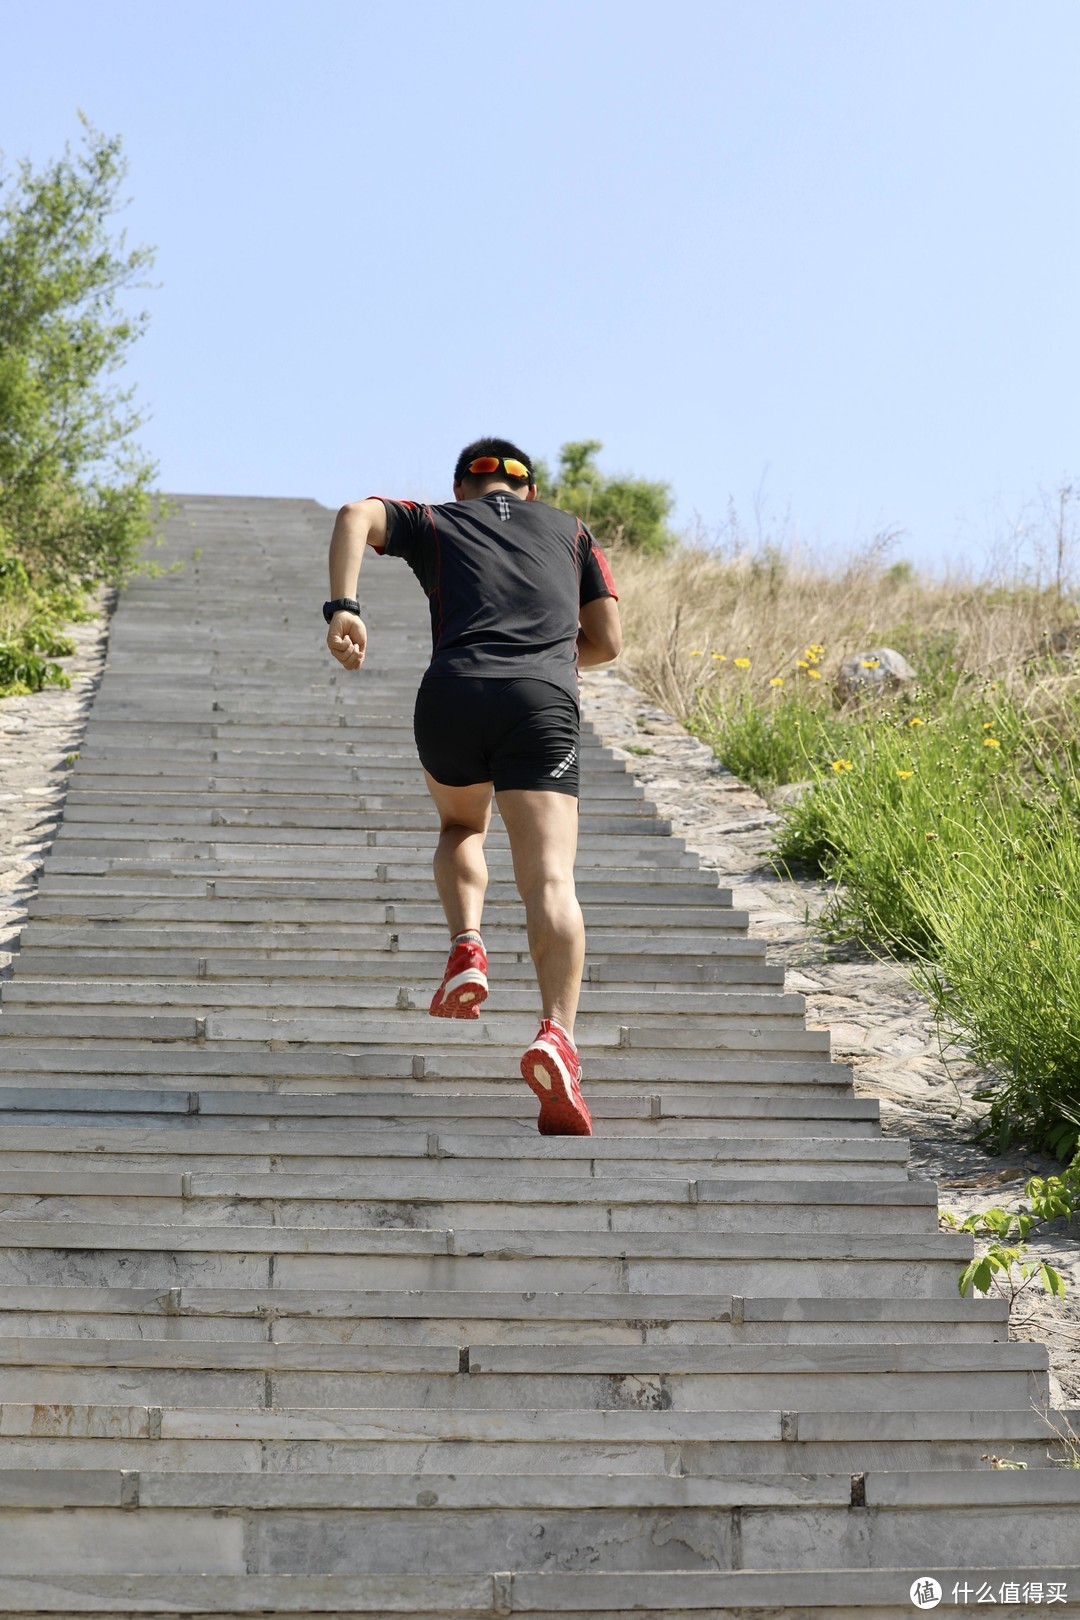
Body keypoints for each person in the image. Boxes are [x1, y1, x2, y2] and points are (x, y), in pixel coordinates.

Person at [324, 436, 622, 1136]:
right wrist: (548, 653)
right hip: (541, 700)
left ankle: (467, 943)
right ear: (530, 491)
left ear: (462, 487)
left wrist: (345, 607)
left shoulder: (437, 520)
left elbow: (353, 512)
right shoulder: (572, 532)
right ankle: (557, 1036)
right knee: (549, 879)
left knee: (462, 828)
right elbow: (607, 642)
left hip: (453, 694)